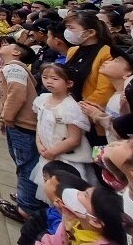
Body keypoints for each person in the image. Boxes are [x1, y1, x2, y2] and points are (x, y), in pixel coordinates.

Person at [0, 39, 46, 223]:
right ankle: (28, 197)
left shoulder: (13, 68)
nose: (4, 46)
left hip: (21, 124)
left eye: (8, 45)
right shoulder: (14, 68)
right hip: (20, 123)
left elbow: (16, 94)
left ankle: (26, 208)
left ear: (16, 52)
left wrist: (6, 118)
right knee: (25, 163)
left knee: (25, 165)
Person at [29, 64, 93, 196]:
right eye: (45, 77)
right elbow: (39, 124)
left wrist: (53, 151)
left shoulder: (71, 107)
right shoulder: (43, 99)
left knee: (64, 192)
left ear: (69, 83)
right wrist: (39, 144)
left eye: (55, 79)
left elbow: (74, 139)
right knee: (48, 191)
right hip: (47, 153)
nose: (49, 81)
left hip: (65, 159)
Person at [63, 11, 115, 145]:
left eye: (71, 28)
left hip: (91, 117)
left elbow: (104, 91)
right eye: (67, 28)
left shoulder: (107, 53)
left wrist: (78, 113)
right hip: (70, 114)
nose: (67, 32)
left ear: (90, 32)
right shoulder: (72, 51)